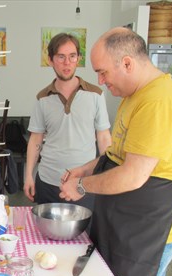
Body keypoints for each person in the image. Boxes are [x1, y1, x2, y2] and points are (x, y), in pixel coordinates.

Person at [60, 28, 172, 276]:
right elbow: (118, 155)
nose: (101, 81)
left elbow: (133, 175)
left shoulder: (158, 103)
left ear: (128, 64)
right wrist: (86, 168)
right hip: (125, 220)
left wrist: (81, 185)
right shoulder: (136, 95)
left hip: (149, 229)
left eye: (103, 72)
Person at [24, 33, 111, 208]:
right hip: (47, 181)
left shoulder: (96, 94)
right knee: (44, 234)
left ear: (78, 58)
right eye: (61, 57)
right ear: (50, 60)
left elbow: (103, 138)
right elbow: (35, 139)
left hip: (83, 183)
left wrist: (107, 177)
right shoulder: (43, 98)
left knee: (84, 234)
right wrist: (28, 176)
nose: (67, 63)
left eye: (72, 56)